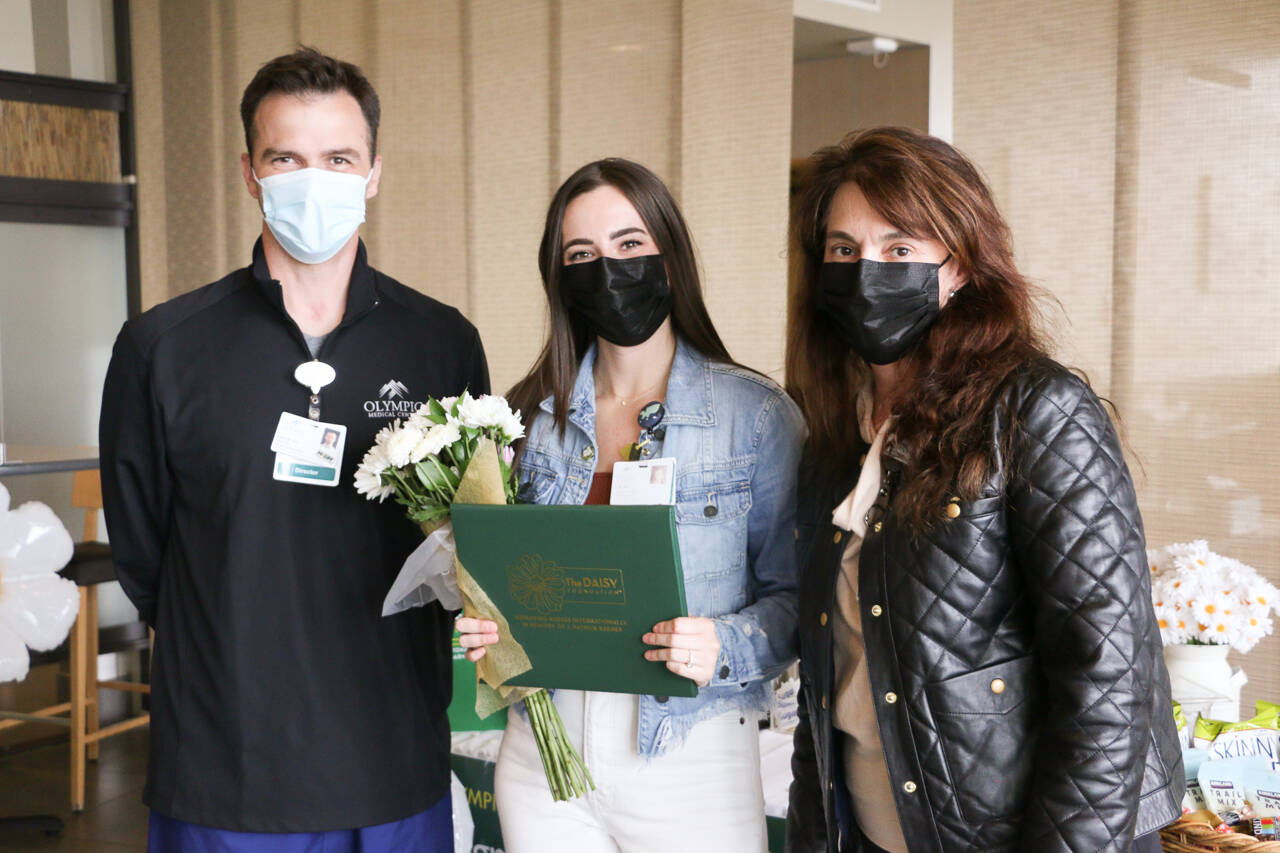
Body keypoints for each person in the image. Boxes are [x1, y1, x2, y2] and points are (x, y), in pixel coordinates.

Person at [100, 48, 491, 851]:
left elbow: (469, 535)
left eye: (338, 158)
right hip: (226, 772)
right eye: (286, 158)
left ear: (373, 173)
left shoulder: (440, 344)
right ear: (250, 173)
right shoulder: (162, 347)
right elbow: (145, 559)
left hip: (392, 764)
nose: (314, 181)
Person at [784, 127, 1183, 853]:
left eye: (899, 248)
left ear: (960, 265)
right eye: (843, 250)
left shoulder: (1036, 410)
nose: (866, 271)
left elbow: (1109, 677)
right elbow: (826, 676)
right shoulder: (836, 436)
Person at [463, 158, 805, 852]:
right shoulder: (524, 418)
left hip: (693, 757)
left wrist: (724, 643)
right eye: (581, 255)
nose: (608, 270)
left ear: (669, 258)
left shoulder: (756, 417)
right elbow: (511, 586)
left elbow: (801, 601)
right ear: (560, 278)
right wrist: (489, 630)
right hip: (543, 762)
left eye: (628, 244)